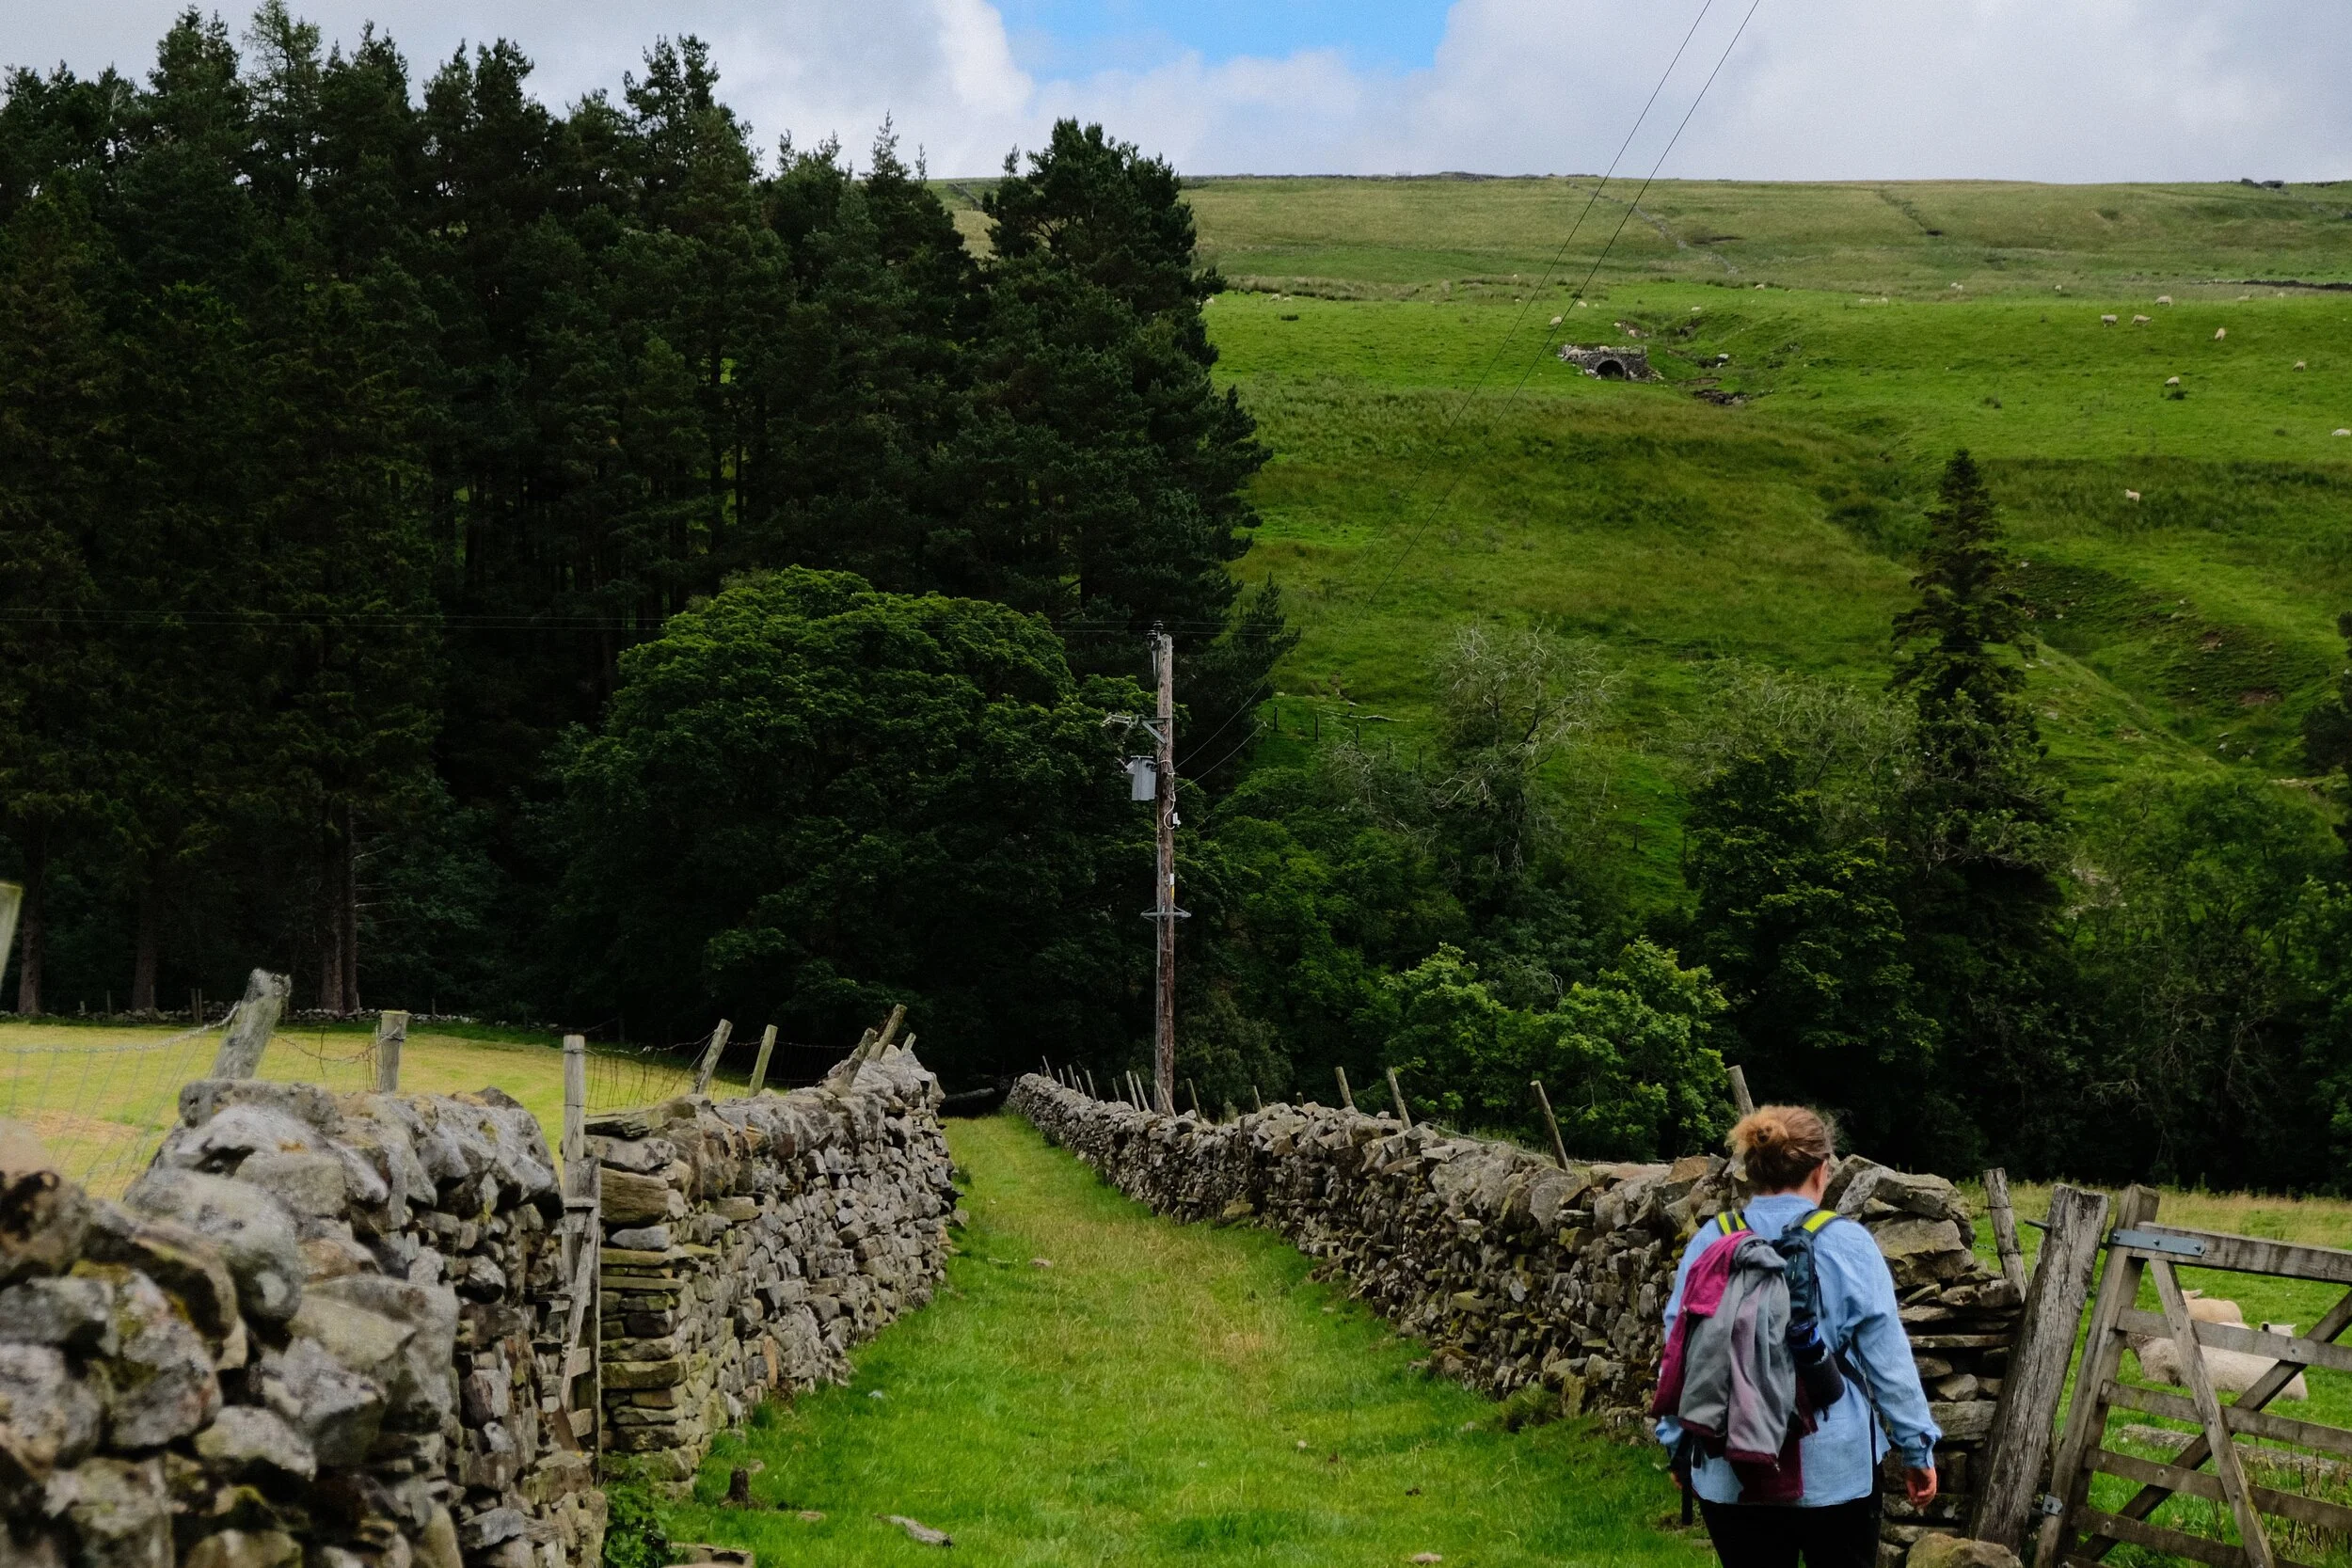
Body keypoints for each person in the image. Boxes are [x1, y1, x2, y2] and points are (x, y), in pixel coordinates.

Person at [1656, 1105, 1941, 1568]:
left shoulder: (1710, 1241)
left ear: (1751, 1169)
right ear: (1821, 1170)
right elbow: (1888, 1360)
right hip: (1835, 1467)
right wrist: (1917, 1448)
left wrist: (1677, 1446)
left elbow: (1679, 1351)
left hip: (1728, 1462)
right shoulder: (1848, 1243)